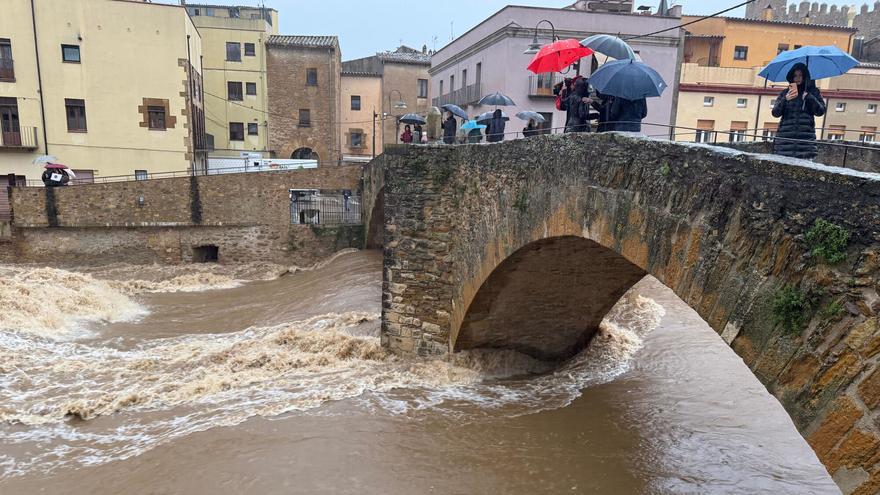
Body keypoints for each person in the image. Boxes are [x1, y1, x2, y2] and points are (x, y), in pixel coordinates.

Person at [772, 63, 826, 160]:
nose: (797, 78)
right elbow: (775, 113)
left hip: (805, 144)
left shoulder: (813, 92)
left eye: (800, 75)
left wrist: (809, 98)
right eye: (795, 76)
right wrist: (785, 99)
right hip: (785, 144)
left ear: (805, 76)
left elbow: (820, 111)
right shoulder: (785, 93)